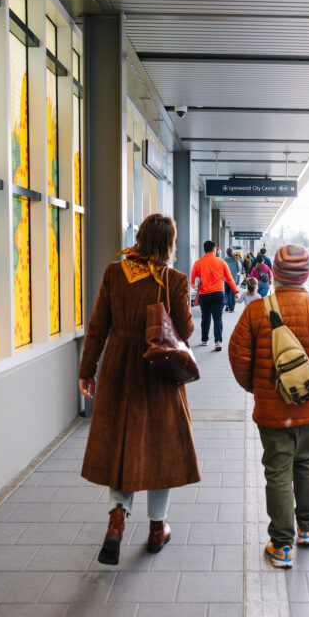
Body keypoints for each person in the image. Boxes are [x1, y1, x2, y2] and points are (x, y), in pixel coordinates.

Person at [77, 213, 200, 565]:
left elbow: (98, 325)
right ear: (169, 244)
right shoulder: (172, 279)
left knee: (122, 443)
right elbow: (186, 331)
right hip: (157, 370)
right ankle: (157, 528)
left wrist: (88, 370)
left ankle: (117, 517)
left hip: (118, 367)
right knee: (161, 448)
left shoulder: (115, 273)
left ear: (141, 238)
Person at [229, 244, 309, 568]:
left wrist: (258, 389)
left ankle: (281, 546)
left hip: (271, 413)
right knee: (308, 463)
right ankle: (307, 528)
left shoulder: (256, 311)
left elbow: (239, 358)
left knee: (278, 471)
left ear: (276, 274)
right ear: (306, 274)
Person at [191, 241, 238, 351]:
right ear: (214, 250)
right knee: (218, 318)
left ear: (204, 250)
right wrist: (235, 291)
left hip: (204, 294)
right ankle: (218, 341)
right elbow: (229, 278)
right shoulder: (221, 263)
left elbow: (193, 282)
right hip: (218, 294)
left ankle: (204, 339)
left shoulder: (198, 263)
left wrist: (197, 285)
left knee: (205, 317)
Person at [224, 247, 242, 313]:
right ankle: (231, 308)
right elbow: (239, 269)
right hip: (233, 279)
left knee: (226, 293)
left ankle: (227, 305)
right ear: (232, 252)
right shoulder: (236, 260)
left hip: (225, 279)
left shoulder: (224, 260)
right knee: (232, 294)